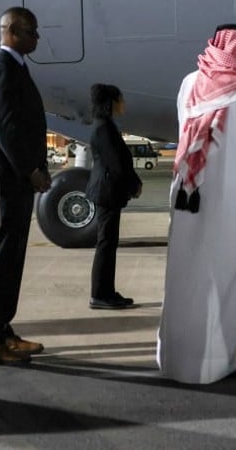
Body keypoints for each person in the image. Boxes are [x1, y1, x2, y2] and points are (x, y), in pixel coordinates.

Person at [157, 25, 236, 384]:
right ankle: (215, 364)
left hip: (187, 195)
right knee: (227, 278)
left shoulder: (189, 83)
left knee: (184, 277)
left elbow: (185, 130)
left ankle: (174, 362)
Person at [0, 7, 51, 365]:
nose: (38, 37)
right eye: (33, 30)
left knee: (12, 258)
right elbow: (5, 128)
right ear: (14, 31)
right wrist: (31, 169)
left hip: (18, 181)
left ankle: (2, 331)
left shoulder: (17, 67)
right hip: (9, 182)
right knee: (2, 257)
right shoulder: (2, 69)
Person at [84, 84, 143, 309]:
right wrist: (133, 184)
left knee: (108, 243)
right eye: (121, 99)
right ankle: (99, 294)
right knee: (106, 244)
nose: (123, 104)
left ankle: (106, 291)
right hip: (107, 192)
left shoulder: (105, 126)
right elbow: (117, 165)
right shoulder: (103, 129)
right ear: (111, 103)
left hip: (108, 191)